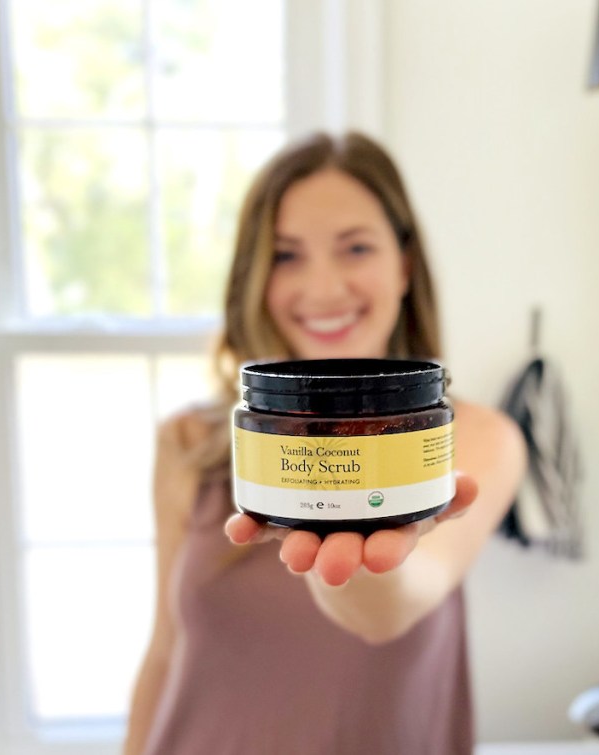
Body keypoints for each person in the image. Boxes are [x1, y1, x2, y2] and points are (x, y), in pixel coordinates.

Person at [123, 131, 526, 755]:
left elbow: (391, 609)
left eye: (355, 247)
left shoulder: (472, 439)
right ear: (255, 277)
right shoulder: (190, 442)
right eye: (286, 256)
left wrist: (360, 547)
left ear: (404, 266)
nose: (323, 287)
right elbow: (163, 652)